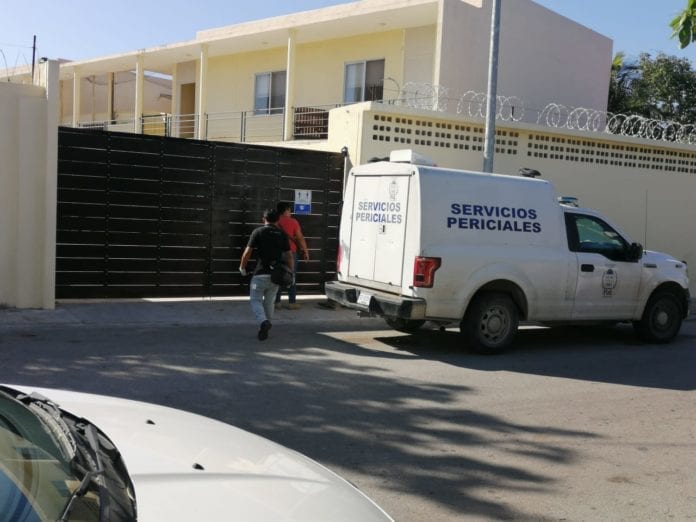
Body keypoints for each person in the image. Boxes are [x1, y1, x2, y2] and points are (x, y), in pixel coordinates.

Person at [239, 209, 293, 341]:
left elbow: (247, 252)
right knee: (269, 302)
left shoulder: (258, 232)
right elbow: (289, 256)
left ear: (263, 219)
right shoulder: (282, 234)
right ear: (278, 220)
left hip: (259, 274)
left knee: (255, 300)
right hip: (276, 276)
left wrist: (242, 267)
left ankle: (263, 322)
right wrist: (291, 273)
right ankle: (266, 326)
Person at [275, 201, 309, 310]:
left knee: (277, 276)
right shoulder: (293, 222)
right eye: (289, 210)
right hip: (291, 253)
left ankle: (276, 302)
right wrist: (306, 251)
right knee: (292, 276)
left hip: (276, 253)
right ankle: (291, 302)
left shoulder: (274, 221)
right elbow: (300, 237)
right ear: (286, 210)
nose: (290, 212)